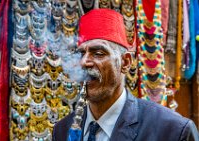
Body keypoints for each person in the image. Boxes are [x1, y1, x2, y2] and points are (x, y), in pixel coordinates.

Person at [53, 9, 199, 141]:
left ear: (125, 62)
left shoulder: (172, 132)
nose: (85, 62)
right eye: (80, 54)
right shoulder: (62, 130)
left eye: (98, 53)